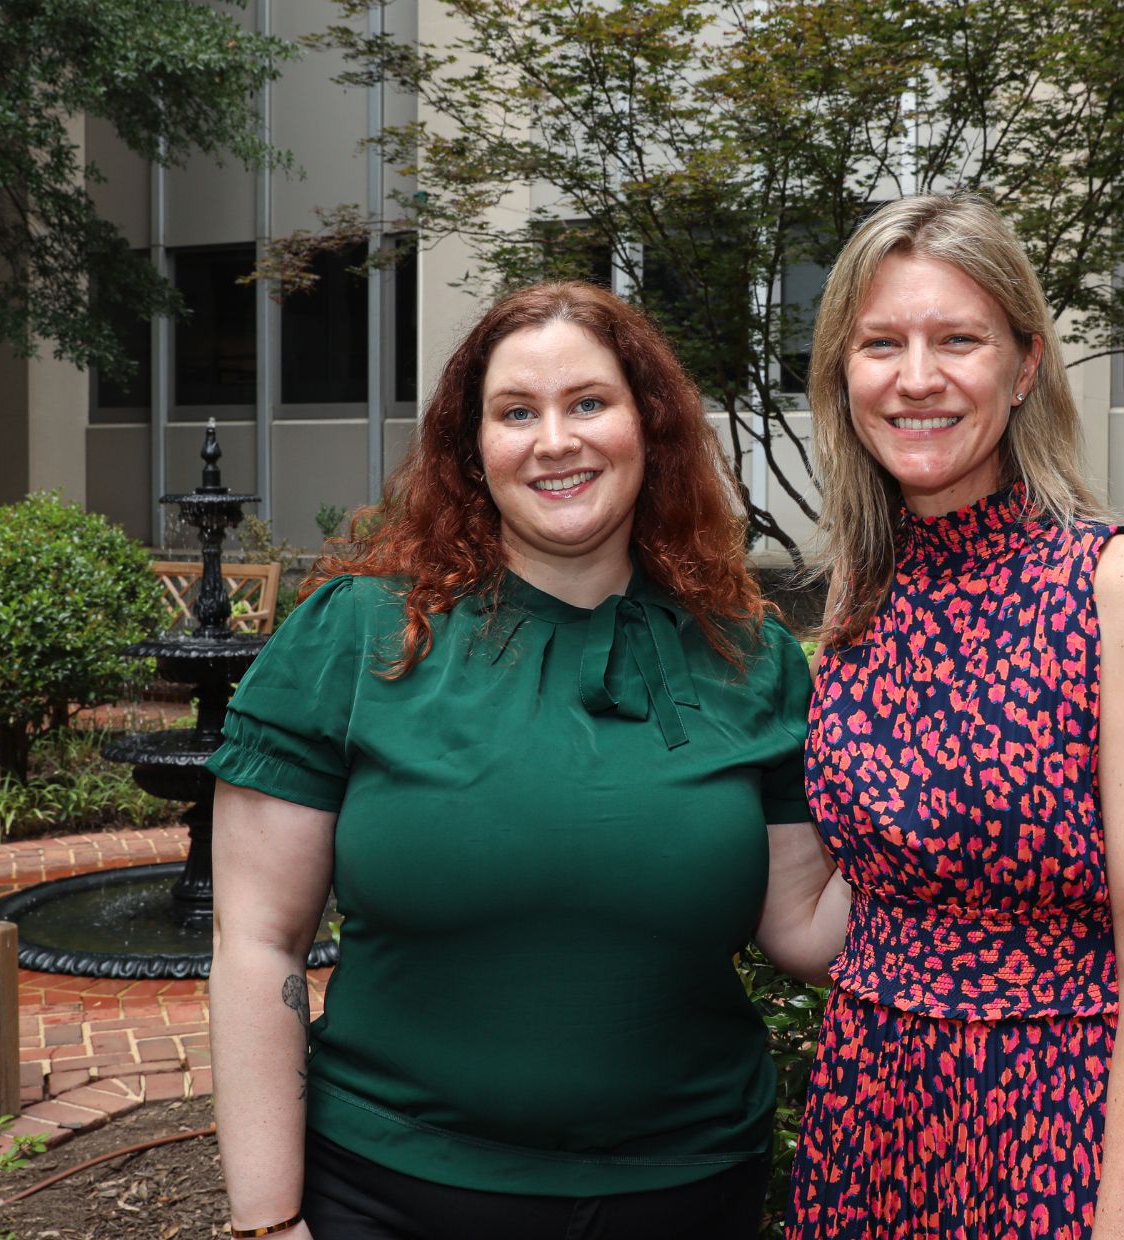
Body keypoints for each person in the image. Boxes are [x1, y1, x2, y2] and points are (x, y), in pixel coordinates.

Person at [205, 281, 849, 1240]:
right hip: (391, 1193)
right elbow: (257, 942)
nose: (556, 440)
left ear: (650, 426)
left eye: (589, 402)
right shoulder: (358, 636)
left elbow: (804, 928)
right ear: (475, 449)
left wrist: (989, 792)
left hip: (689, 1193)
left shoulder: (746, 659)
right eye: (517, 412)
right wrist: (267, 1222)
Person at [788, 195, 1124, 1239]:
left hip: (1057, 1119)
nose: (917, 376)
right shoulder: (858, 600)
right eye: (881, 343)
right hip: (869, 1120)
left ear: (1024, 367)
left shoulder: (1117, 583)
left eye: (958, 340)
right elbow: (860, 897)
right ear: (845, 378)